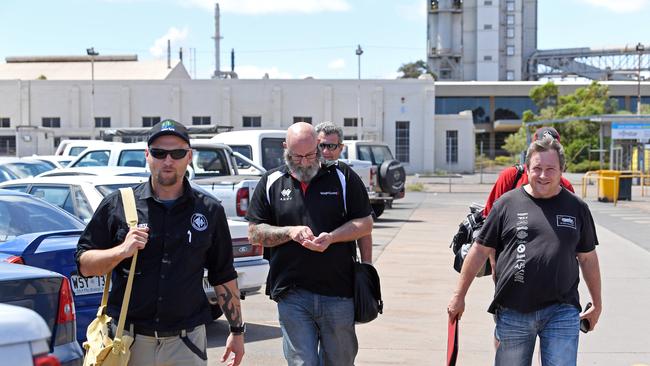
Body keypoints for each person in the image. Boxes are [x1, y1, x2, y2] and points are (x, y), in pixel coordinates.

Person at [76, 119, 245, 366]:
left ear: (189, 157)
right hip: (128, 344)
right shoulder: (118, 204)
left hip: (187, 344)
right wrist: (121, 251)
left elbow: (223, 275)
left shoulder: (209, 210)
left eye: (177, 153)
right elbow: (85, 265)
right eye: (159, 153)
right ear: (147, 155)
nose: (168, 161)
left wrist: (237, 331)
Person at [447, 135, 602, 365]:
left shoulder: (577, 208)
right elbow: (479, 250)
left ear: (562, 170)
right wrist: (459, 296)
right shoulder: (506, 204)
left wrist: (597, 304)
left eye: (551, 169)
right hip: (513, 310)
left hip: (562, 310)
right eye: (537, 168)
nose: (543, 175)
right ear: (527, 168)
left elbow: (588, 258)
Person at [246, 122, 373, 366]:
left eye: (310, 155)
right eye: (297, 156)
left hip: (338, 293)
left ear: (318, 146)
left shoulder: (343, 177)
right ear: (285, 148)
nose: (304, 162)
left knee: (340, 361)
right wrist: (289, 232)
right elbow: (255, 232)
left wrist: (332, 237)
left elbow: (365, 223)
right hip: (292, 293)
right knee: (302, 363)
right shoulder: (272, 181)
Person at [315, 121, 373, 264]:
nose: (326, 152)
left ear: (341, 148)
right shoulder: (296, 174)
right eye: (322, 145)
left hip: (338, 267)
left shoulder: (347, 176)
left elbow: (364, 225)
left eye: (332, 146)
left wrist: (367, 266)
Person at [483, 127, 574, 217]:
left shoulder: (566, 186)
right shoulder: (511, 176)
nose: (543, 175)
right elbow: (490, 217)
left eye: (550, 168)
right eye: (540, 149)